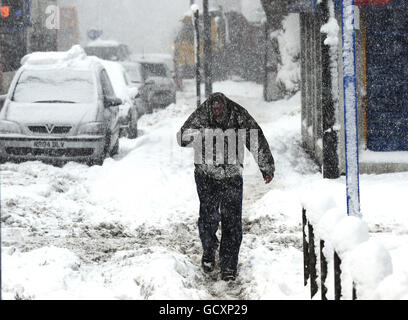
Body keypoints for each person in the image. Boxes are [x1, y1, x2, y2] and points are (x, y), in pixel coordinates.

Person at [177, 92, 275, 281]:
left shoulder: (238, 114)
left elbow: (255, 139)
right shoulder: (202, 115)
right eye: (214, 110)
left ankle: (228, 266)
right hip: (206, 175)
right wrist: (202, 134)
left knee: (232, 222)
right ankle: (209, 249)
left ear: (225, 107)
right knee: (208, 217)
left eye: (219, 109)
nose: (216, 112)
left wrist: (266, 167)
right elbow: (182, 138)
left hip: (231, 176)